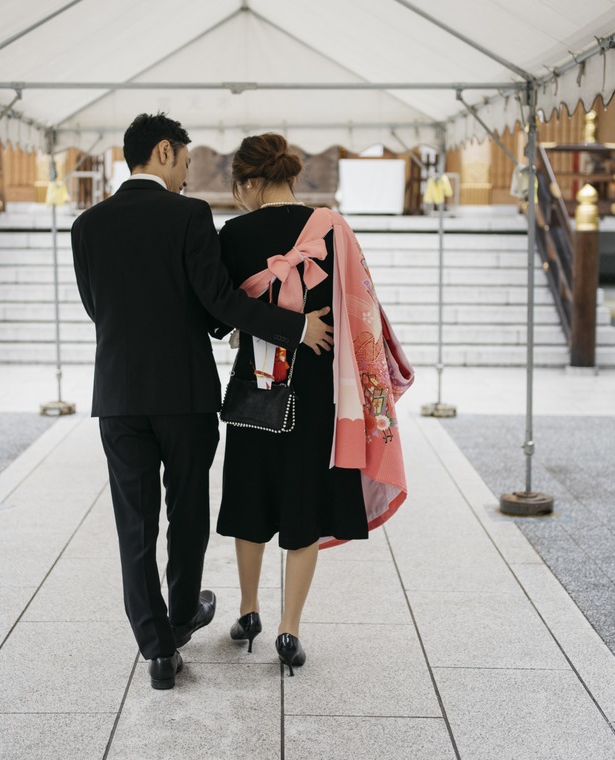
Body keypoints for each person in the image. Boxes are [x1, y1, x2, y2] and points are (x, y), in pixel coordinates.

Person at [69, 114, 335, 691]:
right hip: (184, 393)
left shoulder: (86, 225)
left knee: (134, 524)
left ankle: (158, 650)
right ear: (164, 152)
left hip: (117, 395)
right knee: (186, 510)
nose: (187, 176)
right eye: (186, 163)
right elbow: (218, 303)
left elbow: (96, 308)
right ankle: (184, 611)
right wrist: (291, 327)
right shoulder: (189, 215)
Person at [212, 133, 414, 675]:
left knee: (250, 494)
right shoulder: (333, 228)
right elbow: (362, 307)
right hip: (321, 388)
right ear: (291, 176)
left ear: (249, 182)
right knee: (304, 499)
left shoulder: (233, 235)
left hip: (257, 384)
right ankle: (290, 629)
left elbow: (221, 316)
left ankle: (248, 611)